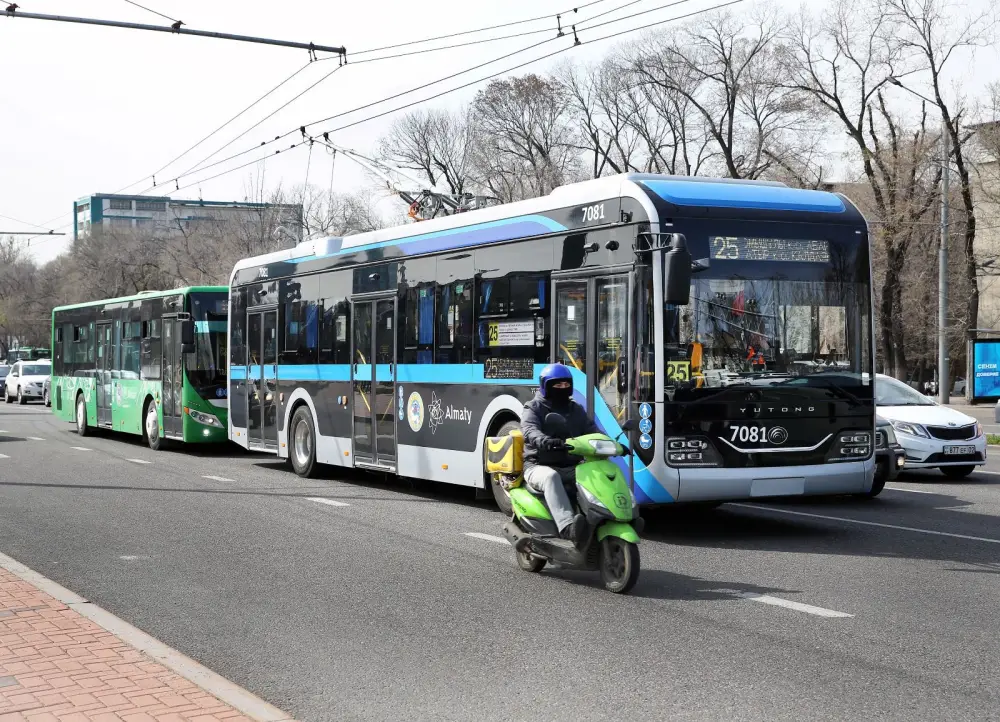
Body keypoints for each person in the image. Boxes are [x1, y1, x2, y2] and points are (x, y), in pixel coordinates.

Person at [521, 363, 600, 547]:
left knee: (597, 472)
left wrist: (611, 443)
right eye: (557, 385)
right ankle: (567, 527)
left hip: (570, 464)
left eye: (566, 385)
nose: (562, 388)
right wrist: (545, 440)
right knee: (551, 477)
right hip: (538, 465)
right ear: (545, 386)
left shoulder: (575, 409)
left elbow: (592, 431)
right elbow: (530, 430)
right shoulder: (533, 408)